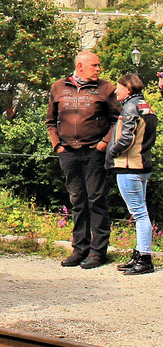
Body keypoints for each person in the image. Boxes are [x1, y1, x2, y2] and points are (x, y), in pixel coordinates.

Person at [47, 51, 118, 269]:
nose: (98, 69)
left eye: (99, 66)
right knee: (77, 200)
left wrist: (104, 143)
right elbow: (50, 120)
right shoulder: (58, 87)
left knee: (96, 199)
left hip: (93, 152)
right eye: (94, 65)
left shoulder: (106, 89)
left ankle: (98, 252)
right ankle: (80, 249)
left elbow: (117, 120)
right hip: (68, 152)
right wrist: (57, 145)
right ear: (80, 67)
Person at [108, 73, 156, 275]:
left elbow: (127, 137)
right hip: (142, 164)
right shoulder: (145, 105)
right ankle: (139, 254)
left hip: (130, 166)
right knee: (140, 211)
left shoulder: (130, 106)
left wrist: (111, 151)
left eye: (118, 87)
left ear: (128, 88)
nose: (115, 90)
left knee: (139, 213)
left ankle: (144, 258)